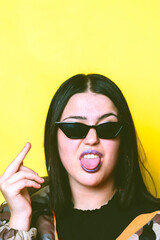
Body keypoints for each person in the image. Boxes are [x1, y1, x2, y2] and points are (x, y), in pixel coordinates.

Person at [0, 74, 160, 240]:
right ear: (53, 139)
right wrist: (19, 221)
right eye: (74, 128)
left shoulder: (155, 224)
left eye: (107, 127)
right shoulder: (15, 212)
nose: (91, 139)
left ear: (123, 140)